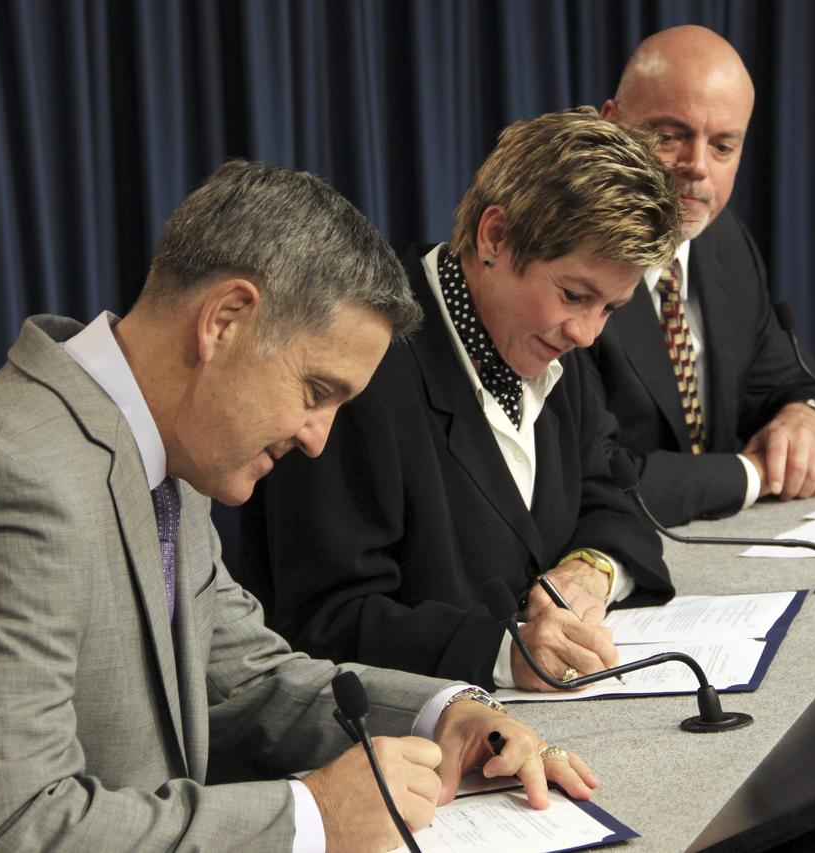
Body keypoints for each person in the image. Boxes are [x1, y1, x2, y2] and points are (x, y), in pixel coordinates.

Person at [0, 161, 596, 853]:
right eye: (317, 392)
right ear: (224, 319)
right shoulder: (3, 479)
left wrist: (443, 718)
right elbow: (13, 831)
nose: (319, 438)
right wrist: (311, 818)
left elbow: (247, 679)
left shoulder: (164, 464)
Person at [238, 108, 680, 695]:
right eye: (575, 295)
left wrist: (592, 569)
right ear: (494, 236)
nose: (587, 334)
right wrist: (505, 652)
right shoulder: (362, 367)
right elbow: (323, 618)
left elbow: (610, 493)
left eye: (610, 309)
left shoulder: (549, 342)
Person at [589, 25, 815, 527]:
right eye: (669, 137)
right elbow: (594, 475)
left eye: (722, 146)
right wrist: (755, 474)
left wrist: (809, 421)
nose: (697, 167)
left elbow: (792, 381)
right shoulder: (572, 269)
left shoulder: (723, 243)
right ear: (612, 125)